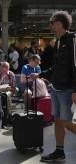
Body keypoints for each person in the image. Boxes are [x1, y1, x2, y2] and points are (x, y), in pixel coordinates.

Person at [40, 11, 76, 163]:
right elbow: (57, 66)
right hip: (56, 87)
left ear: (60, 23)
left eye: (52, 22)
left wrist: (75, 89)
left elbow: (75, 66)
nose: (51, 25)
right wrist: (42, 74)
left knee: (68, 123)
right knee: (58, 121)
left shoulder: (73, 40)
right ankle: (59, 152)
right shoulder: (58, 42)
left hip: (68, 89)